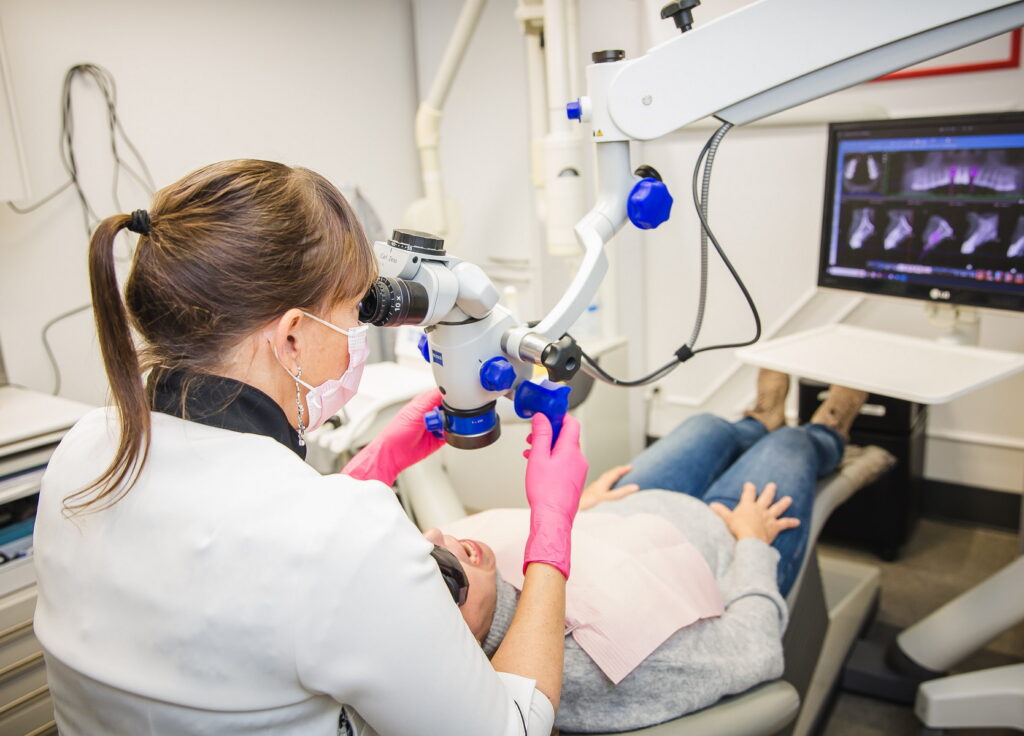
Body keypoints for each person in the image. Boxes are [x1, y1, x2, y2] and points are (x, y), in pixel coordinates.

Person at [33, 159, 588, 736]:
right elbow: (512, 729)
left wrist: (374, 467)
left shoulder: (83, 449)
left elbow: (242, 574)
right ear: (292, 337)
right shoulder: (342, 536)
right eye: (355, 311)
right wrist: (552, 532)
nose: (358, 334)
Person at [427, 371, 878, 734]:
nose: (445, 543)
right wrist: (754, 543)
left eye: (426, 545)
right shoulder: (592, 670)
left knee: (707, 428)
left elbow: (470, 560)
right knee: (791, 446)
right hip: (726, 535)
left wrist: (571, 508)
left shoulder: (464, 570)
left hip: (619, 514)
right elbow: (755, 651)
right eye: (448, 573)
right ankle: (828, 432)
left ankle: (760, 419)